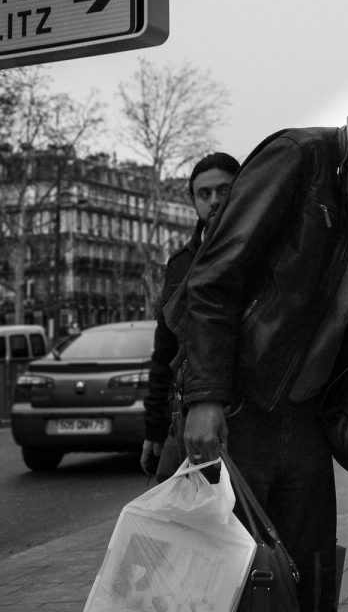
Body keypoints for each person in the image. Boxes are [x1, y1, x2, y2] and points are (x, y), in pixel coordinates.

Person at [164, 50, 348, 611]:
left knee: (307, 584)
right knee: (221, 588)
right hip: (240, 414)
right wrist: (206, 398)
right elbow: (212, 281)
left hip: (302, 418)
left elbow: (346, 311)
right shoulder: (299, 157)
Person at [140, 152, 240, 479]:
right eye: (204, 194)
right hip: (185, 421)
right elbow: (164, 349)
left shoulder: (268, 253)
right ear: (194, 202)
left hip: (249, 422)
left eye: (224, 191)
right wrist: (154, 429)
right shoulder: (180, 265)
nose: (214, 201)